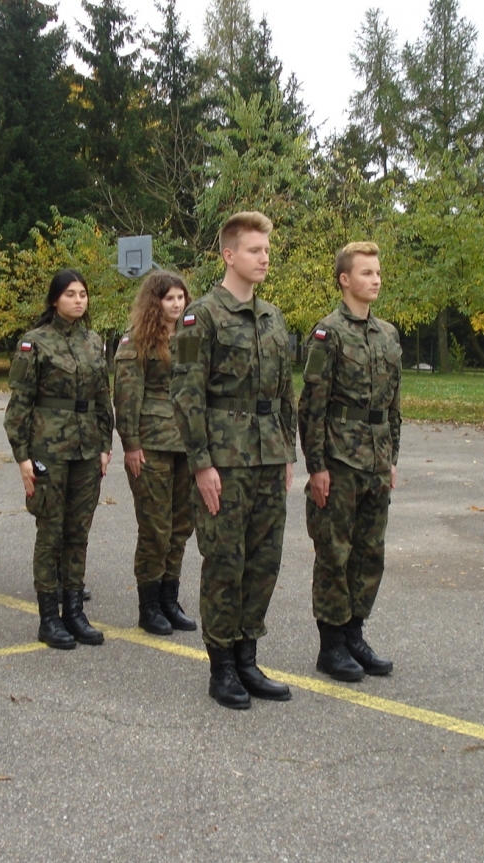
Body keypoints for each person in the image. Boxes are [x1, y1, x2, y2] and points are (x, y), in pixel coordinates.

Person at [171, 211, 297, 710]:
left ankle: (248, 658)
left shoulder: (273, 317)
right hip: (224, 459)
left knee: (264, 561)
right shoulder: (200, 316)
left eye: (267, 250)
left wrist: (287, 452)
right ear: (229, 254)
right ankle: (221, 666)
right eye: (253, 250)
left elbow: (286, 392)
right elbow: (187, 393)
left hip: (268, 456)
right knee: (226, 562)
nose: (264, 258)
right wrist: (201, 463)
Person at [299, 242, 402, 682]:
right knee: (334, 552)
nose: (375, 280)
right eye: (366, 273)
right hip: (340, 459)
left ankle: (355, 634)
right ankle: (332, 644)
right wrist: (317, 466)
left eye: (377, 272)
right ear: (345, 280)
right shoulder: (328, 334)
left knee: (369, 552)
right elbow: (312, 405)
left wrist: (392, 457)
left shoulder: (388, 335)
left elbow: (394, 404)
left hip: (376, 460)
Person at [5, 270, 113, 649]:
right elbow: (19, 405)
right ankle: (49, 616)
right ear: (55, 300)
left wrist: (105, 445)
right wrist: (22, 456)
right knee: (51, 532)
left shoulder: (93, 342)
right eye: (70, 294)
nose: (78, 300)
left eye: (83, 294)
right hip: (48, 449)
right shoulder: (34, 343)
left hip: (87, 450)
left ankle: (74, 611)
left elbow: (102, 399)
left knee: (78, 533)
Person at [114, 271, 197, 635]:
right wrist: (131, 444)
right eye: (169, 298)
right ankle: (149, 606)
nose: (177, 304)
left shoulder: (190, 337)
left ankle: (169, 599)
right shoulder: (137, 340)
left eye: (181, 298)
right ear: (155, 302)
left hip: (187, 444)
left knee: (180, 526)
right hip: (151, 444)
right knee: (155, 527)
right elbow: (126, 396)